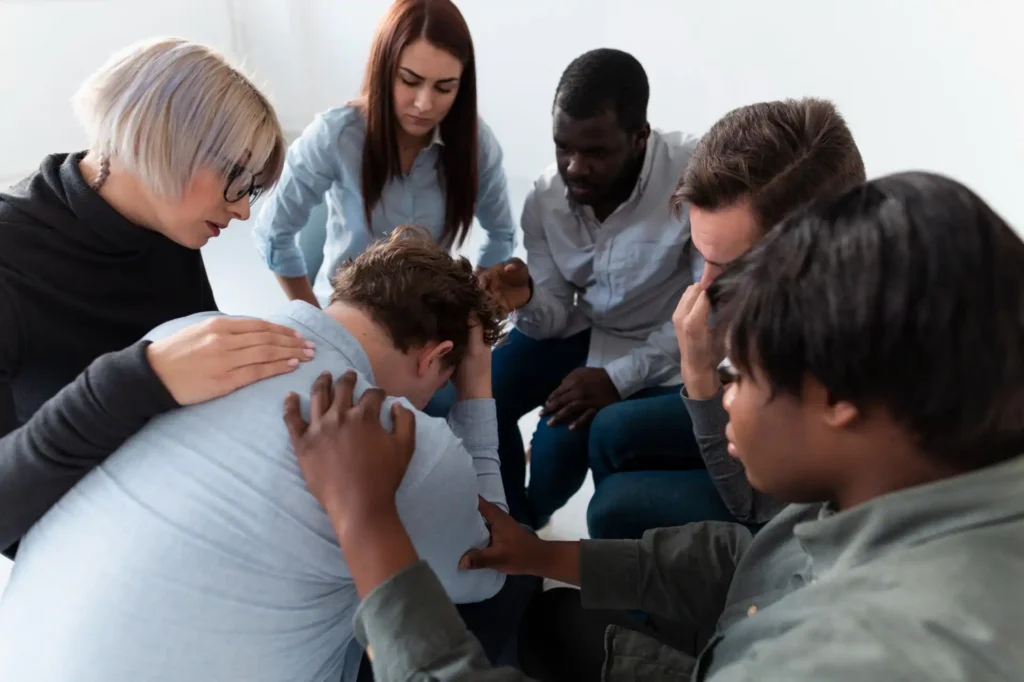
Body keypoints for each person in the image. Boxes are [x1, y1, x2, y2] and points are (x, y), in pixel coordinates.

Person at [283, 171, 1024, 681]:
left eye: (735, 376)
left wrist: (366, 524)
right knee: (544, 622)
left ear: (837, 394)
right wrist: (544, 557)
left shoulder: (866, 656)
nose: (719, 396)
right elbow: (760, 559)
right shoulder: (916, 470)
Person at [0, 228, 527, 682]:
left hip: (23, 657)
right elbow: (490, 566)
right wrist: (477, 388)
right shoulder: (411, 441)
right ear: (437, 357)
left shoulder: (186, 337)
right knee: (493, 596)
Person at [0, 36, 310, 444]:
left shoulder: (168, 224)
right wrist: (139, 380)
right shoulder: (11, 260)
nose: (243, 211)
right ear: (159, 143)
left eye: (250, 189)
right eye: (236, 179)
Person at [586, 98, 868, 539]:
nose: (706, 288)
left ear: (812, 253)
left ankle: (678, 582)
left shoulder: (840, 348)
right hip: (768, 424)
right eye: (703, 258)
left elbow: (753, 503)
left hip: (783, 512)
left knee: (615, 507)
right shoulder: (791, 286)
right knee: (609, 430)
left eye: (733, 267)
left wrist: (699, 374)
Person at [475, 49, 703, 526]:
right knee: (480, 388)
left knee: (559, 449)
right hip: (584, 328)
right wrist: (528, 300)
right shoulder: (543, 199)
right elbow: (555, 314)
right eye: (563, 147)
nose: (574, 167)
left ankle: (530, 525)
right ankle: (506, 523)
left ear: (640, 136)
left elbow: (708, 314)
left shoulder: (696, 177)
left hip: (664, 349)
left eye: (596, 152)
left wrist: (617, 378)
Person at [254, 0, 516, 308]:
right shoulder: (335, 135)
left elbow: (502, 234)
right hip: (347, 314)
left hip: (431, 321)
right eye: (410, 81)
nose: (424, 104)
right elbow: (273, 233)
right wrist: (313, 317)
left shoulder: (477, 144)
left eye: (444, 88)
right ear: (383, 69)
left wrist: (475, 305)